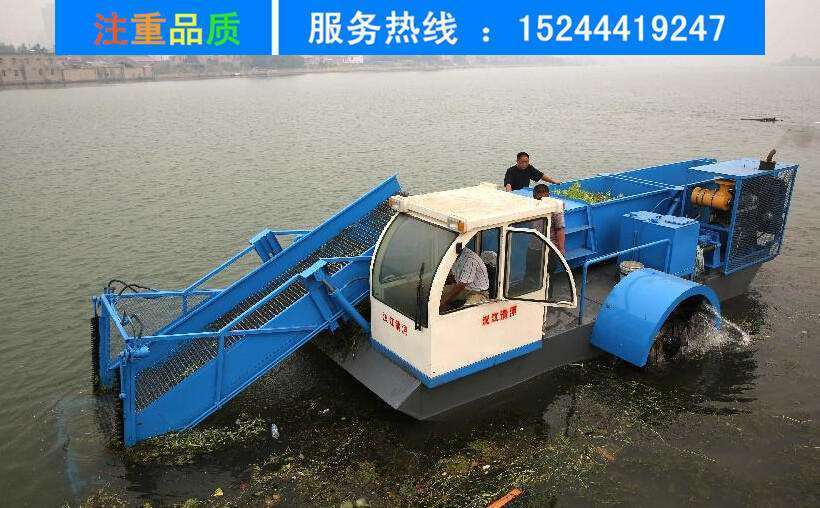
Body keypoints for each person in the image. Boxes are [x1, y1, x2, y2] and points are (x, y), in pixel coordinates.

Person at [440, 246, 490, 312]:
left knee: (468, 309)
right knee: (436, 294)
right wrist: (439, 283)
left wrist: (443, 302)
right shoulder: (454, 256)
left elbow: (461, 285)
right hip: (464, 289)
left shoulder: (470, 259)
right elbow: (454, 276)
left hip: (478, 292)